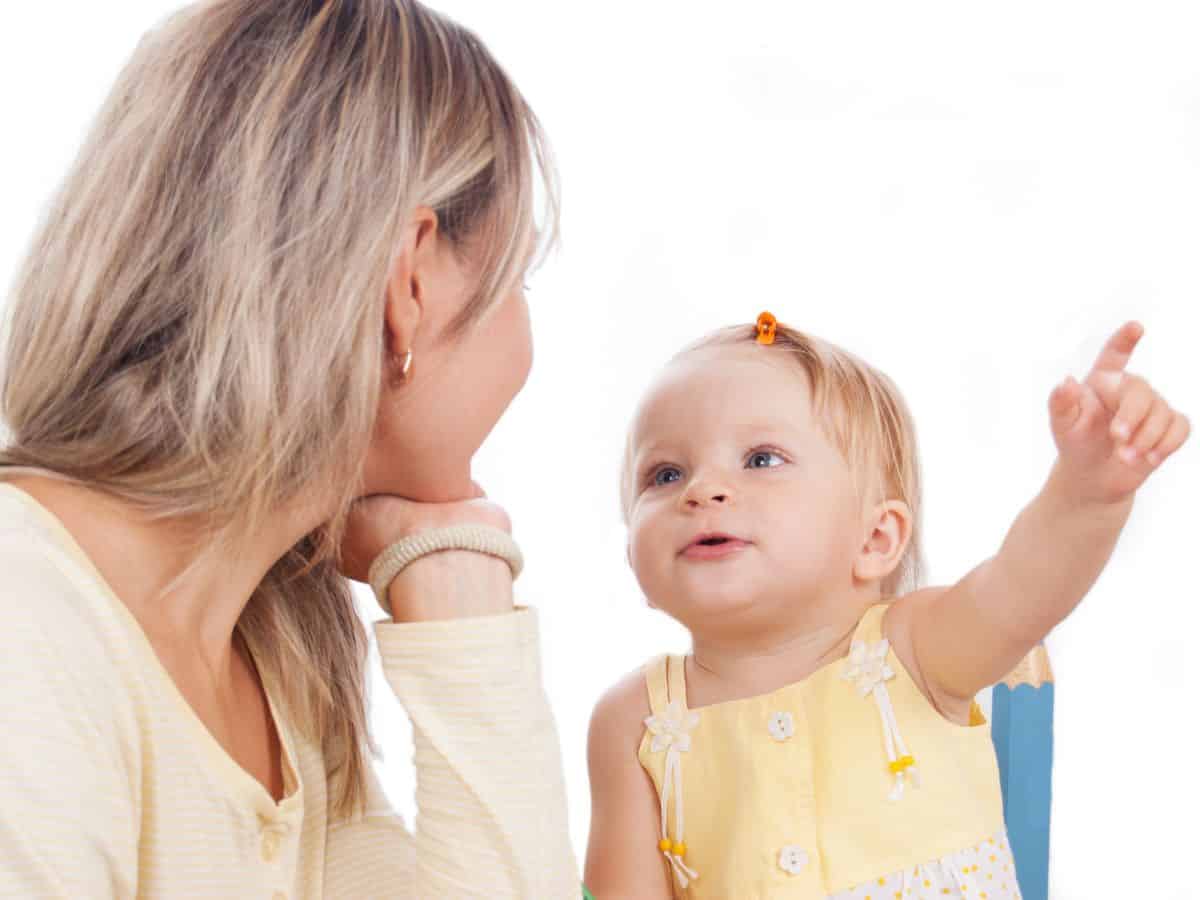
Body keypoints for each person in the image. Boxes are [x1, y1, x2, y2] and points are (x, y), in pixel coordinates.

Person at [0, 1, 579, 896]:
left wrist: (461, 601)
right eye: (519, 276)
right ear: (410, 283)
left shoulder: (277, 656)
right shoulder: (24, 618)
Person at [583, 312, 1188, 898]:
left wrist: (1086, 492)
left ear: (875, 539)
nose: (702, 490)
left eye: (761, 459)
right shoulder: (634, 720)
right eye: (664, 474)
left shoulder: (914, 648)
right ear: (634, 557)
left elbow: (1025, 587)